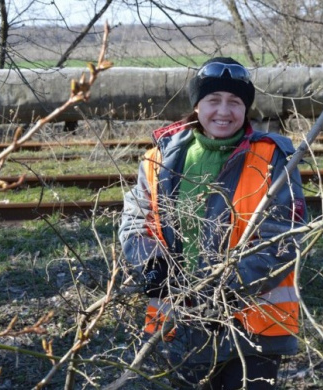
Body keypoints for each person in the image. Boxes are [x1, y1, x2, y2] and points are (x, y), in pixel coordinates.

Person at [119, 57, 306, 389]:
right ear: (196, 106)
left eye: (235, 102)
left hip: (252, 327)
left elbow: (282, 238)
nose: (224, 110)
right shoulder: (158, 159)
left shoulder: (273, 158)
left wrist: (225, 288)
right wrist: (150, 265)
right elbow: (135, 223)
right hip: (180, 321)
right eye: (213, 100)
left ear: (246, 109)